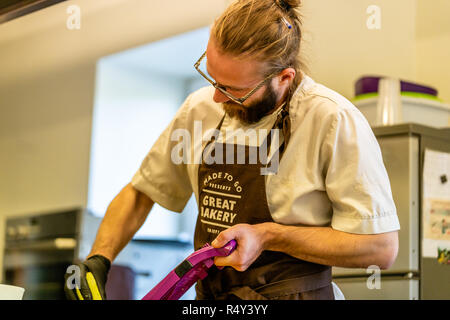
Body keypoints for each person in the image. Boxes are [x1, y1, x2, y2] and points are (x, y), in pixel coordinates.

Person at [64, 0, 400, 300]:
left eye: (234, 90)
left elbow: (380, 248)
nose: (217, 98)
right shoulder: (199, 109)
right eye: (212, 79)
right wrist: (100, 257)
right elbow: (143, 191)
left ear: (284, 78)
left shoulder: (331, 120)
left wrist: (268, 236)